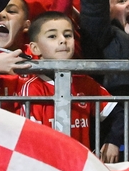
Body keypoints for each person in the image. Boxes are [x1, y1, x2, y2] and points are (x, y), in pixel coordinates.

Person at [19, 11, 122, 162]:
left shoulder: (85, 82)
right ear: (35, 48)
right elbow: (31, 137)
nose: (63, 40)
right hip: (49, 165)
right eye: (52, 36)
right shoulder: (33, 88)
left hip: (82, 166)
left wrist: (113, 141)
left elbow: (119, 114)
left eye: (67, 35)